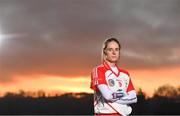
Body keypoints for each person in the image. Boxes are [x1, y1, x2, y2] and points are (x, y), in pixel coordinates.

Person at [90, 38, 137, 116]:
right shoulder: (98, 70)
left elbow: (134, 98)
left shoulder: (125, 74)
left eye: (117, 49)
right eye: (110, 49)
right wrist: (124, 94)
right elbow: (108, 96)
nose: (114, 52)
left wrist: (115, 95)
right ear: (105, 51)